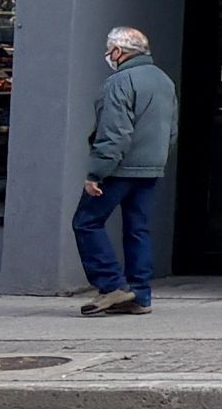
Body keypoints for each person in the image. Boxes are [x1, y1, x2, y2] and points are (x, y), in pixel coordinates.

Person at [76, 26, 177, 316]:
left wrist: (96, 173)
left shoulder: (119, 82)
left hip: (118, 169)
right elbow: (171, 130)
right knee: (138, 229)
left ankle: (111, 286)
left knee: (86, 222)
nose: (108, 55)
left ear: (119, 51)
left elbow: (114, 134)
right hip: (150, 169)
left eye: (110, 50)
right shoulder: (164, 81)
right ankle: (140, 294)